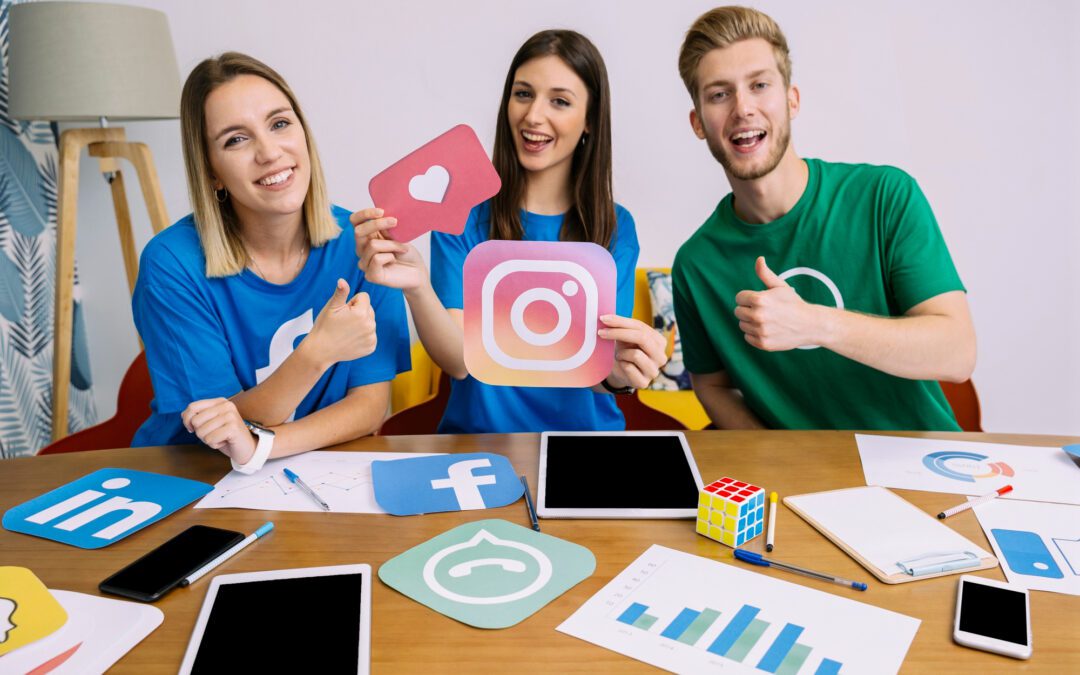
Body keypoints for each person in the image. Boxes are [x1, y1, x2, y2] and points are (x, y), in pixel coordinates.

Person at [671, 7, 976, 430]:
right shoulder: (696, 264)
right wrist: (780, 467)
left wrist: (815, 323)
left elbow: (957, 353)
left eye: (759, 85)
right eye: (719, 94)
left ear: (792, 100)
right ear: (698, 123)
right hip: (799, 490)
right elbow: (712, 386)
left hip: (923, 471)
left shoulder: (885, 196)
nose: (743, 108)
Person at [354, 29, 667, 433]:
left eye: (559, 100)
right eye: (523, 94)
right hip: (479, 445)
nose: (533, 116)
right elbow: (460, 363)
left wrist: (624, 376)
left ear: (589, 119)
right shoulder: (463, 213)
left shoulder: (614, 225)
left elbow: (598, 369)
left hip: (583, 446)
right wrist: (417, 286)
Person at [131, 52, 410, 471]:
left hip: (309, 471)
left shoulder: (362, 243)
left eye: (279, 124)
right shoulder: (172, 265)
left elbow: (370, 407)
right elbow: (217, 433)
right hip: (192, 477)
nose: (269, 152)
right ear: (212, 172)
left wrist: (262, 447)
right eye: (236, 140)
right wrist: (316, 353)